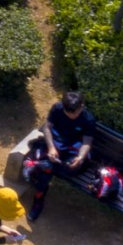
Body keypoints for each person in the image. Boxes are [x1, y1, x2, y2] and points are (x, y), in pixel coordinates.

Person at [26, 91, 97, 221]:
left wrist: (80, 157)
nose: (71, 117)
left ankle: (46, 167)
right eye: (68, 113)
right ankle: (38, 199)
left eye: (74, 114)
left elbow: (87, 143)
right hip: (56, 144)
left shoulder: (88, 119)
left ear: (82, 106)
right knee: (46, 168)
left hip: (72, 150)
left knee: (64, 167)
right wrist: (52, 147)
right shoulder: (57, 108)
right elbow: (47, 128)